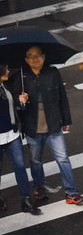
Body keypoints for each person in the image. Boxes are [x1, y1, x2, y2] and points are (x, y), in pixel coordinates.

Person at [14, 47, 83, 205]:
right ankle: (39, 187)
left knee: (63, 158)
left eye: (38, 55)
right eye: (31, 56)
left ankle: (72, 192)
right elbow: (16, 104)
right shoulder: (21, 76)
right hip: (33, 127)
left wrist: (66, 119)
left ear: (44, 57)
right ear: (26, 60)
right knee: (35, 161)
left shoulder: (53, 72)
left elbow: (62, 96)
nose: (35, 59)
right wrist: (21, 101)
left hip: (54, 124)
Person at [0, 65, 41, 215]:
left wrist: (22, 102)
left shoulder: (7, 86)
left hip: (12, 134)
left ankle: (26, 200)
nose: (8, 71)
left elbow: (16, 108)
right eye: (5, 69)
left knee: (20, 167)